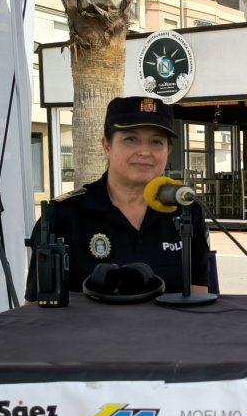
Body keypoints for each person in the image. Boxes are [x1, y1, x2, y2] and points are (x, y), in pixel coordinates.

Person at [24, 96, 211, 302]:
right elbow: (35, 307)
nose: (145, 152)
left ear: (168, 151)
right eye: (131, 139)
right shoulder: (62, 215)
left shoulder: (185, 210)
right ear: (107, 146)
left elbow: (199, 296)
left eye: (156, 142)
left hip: (170, 324)